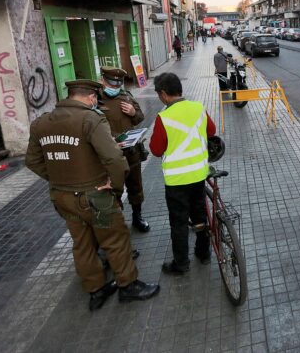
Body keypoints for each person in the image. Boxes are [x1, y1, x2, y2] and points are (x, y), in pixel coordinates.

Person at [25, 79, 159, 311]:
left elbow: (32, 161)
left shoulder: (41, 123)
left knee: (82, 244)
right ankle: (128, 285)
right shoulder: (90, 119)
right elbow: (114, 159)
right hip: (95, 197)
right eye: (95, 99)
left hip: (63, 197)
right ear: (91, 97)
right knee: (115, 240)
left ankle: (95, 290)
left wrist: (60, 180)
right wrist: (114, 187)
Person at [149, 73, 215, 274]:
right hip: (198, 175)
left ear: (163, 94)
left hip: (177, 181)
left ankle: (181, 264)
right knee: (200, 216)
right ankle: (203, 253)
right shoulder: (198, 108)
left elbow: (156, 149)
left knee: (178, 223)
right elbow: (211, 131)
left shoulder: (164, 117)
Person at [98, 67, 149, 233]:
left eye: (118, 83)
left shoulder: (126, 96)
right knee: (113, 190)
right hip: (109, 156)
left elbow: (140, 117)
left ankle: (137, 217)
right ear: (103, 80)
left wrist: (134, 112)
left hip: (131, 152)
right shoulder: (96, 99)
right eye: (112, 83)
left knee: (135, 186)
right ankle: (118, 224)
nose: (115, 87)